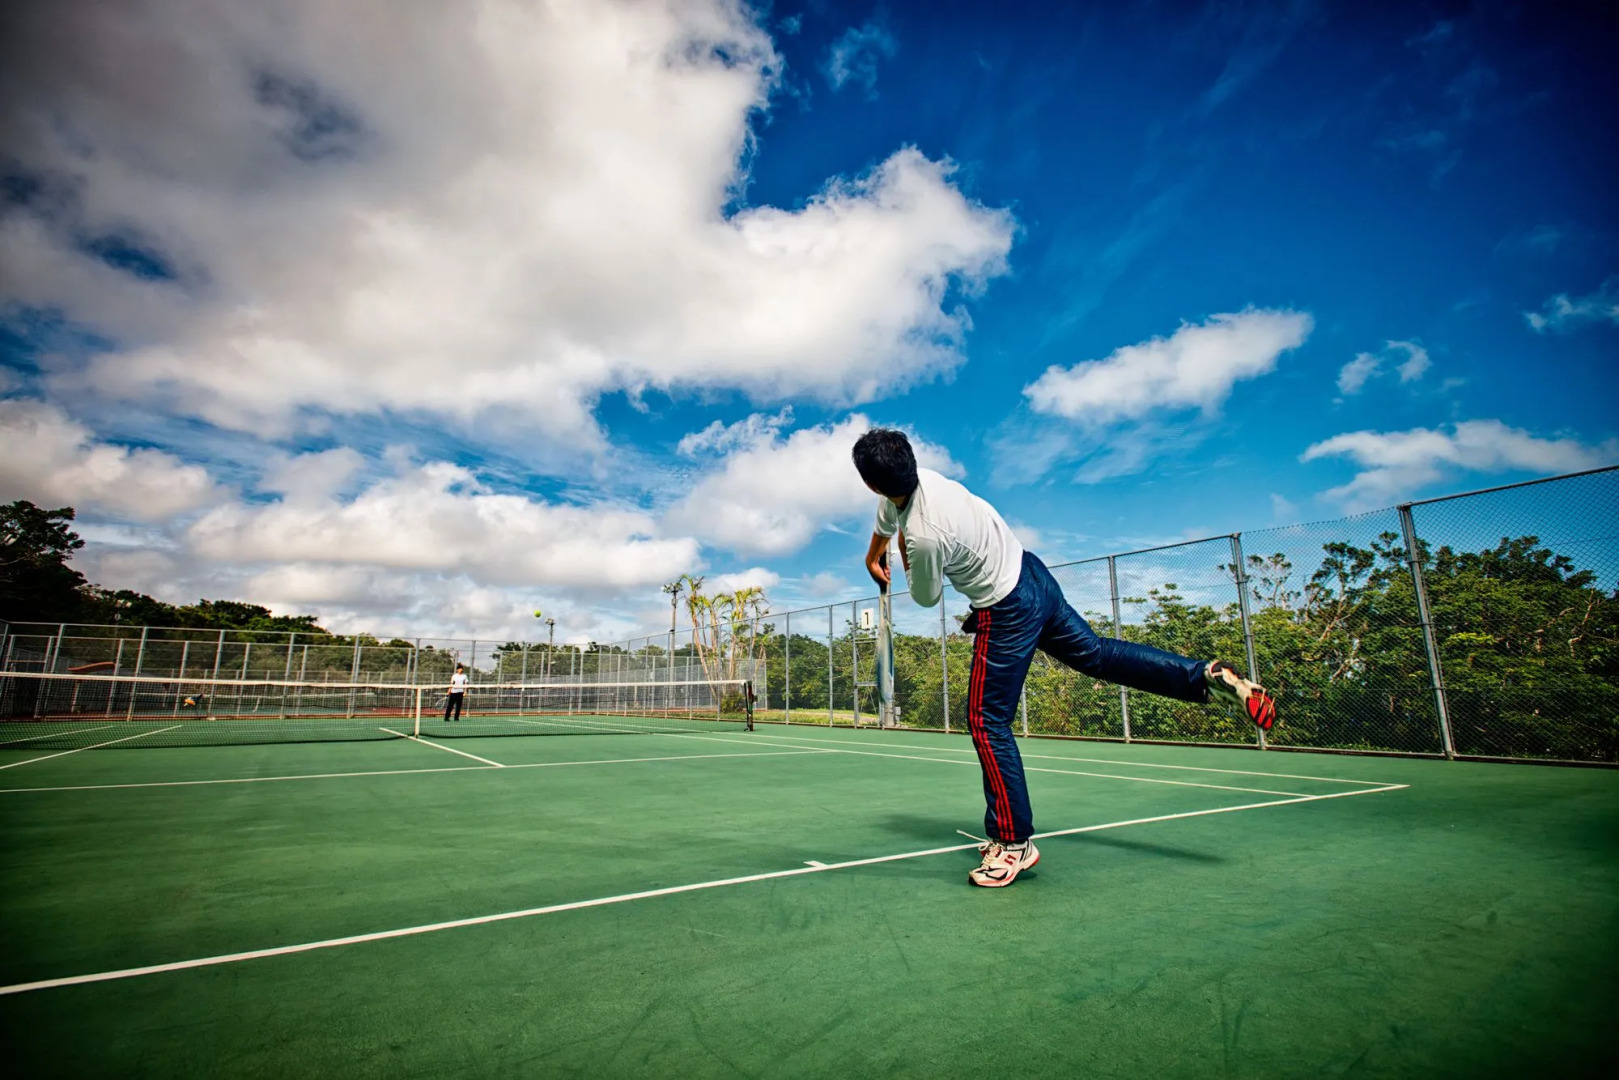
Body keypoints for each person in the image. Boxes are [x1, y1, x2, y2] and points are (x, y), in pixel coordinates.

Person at [853, 428, 1276, 889]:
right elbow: (887, 516)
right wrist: (875, 552)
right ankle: (1202, 676)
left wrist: (901, 551)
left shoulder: (923, 535)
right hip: (1034, 575)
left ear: (870, 483)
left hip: (1006, 607)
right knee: (1098, 653)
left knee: (986, 721)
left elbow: (926, 597)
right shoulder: (925, 479)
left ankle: (1013, 843)